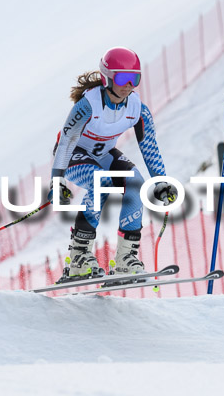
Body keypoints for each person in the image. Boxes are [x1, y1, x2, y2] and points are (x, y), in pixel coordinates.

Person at [49, 47, 177, 282]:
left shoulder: (137, 108)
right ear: (107, 77)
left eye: (134, 78)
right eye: (122, 78)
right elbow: (66, 142)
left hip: (102, 154)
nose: (129, 85)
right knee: (101, 181)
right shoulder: (89, 105)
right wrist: (57, 181)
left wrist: (161, 181)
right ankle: (79, 257)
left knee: (136, 182)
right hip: (72, 154)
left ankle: (126, 259)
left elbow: (149, 146)